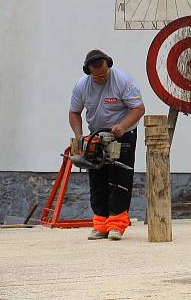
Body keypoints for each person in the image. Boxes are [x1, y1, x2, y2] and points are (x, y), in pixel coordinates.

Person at [69, 49, 145, 241]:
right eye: (97, 76)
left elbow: (138, 108)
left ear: (109, 66)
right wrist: (79, 137)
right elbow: (74, 112)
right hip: (96, 136)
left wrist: (123, 126)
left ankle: (117, 225)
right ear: (88, 72)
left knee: (119, 180)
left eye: (104, 74)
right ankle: (100, 225)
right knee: (97, 180)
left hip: (122, 135)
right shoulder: (81, 86)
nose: (102, 79)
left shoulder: (123, 81)